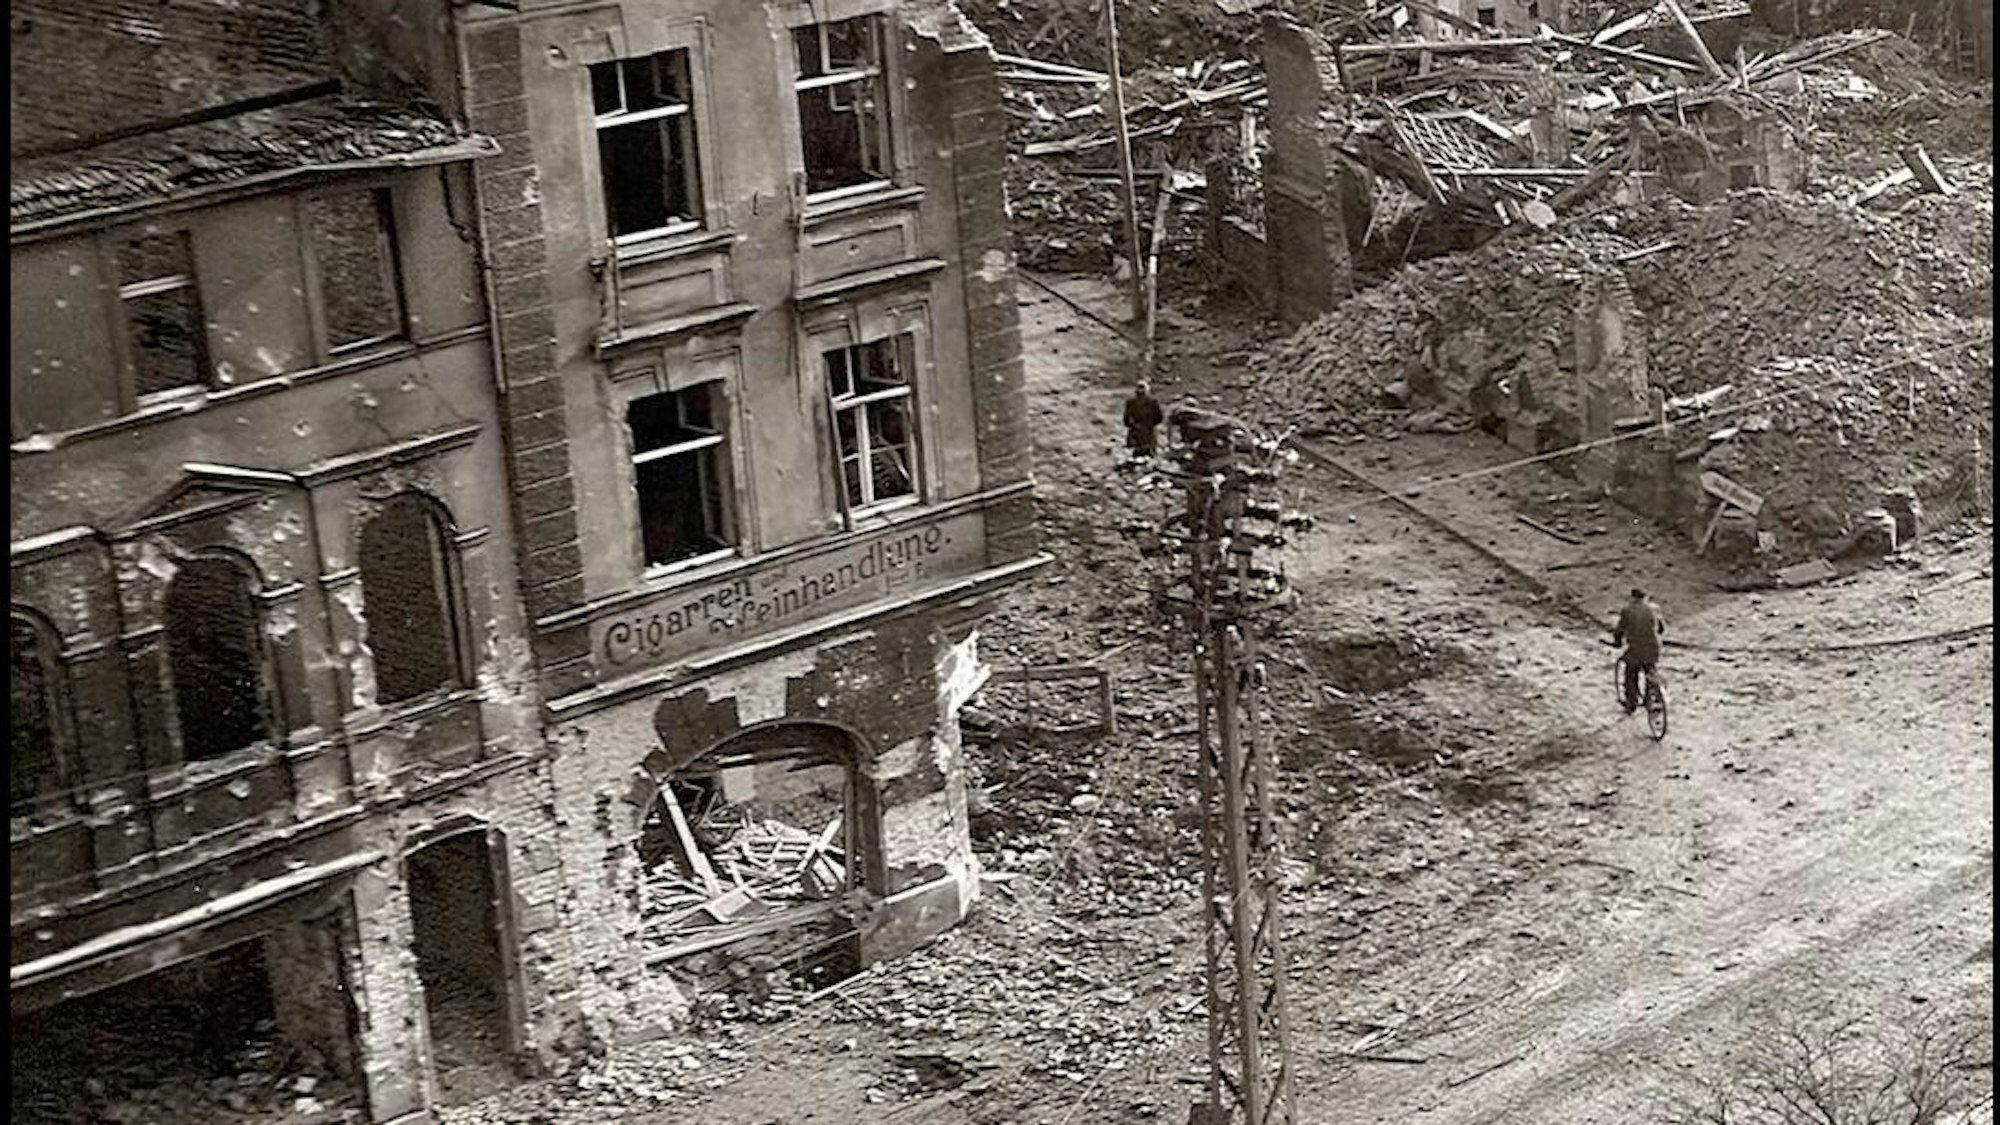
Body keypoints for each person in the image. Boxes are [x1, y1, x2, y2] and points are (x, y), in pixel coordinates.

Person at [1612, 587, 1665, 713]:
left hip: (1636, 648)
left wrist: (1617, 642)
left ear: (1632, 597)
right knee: (1650, 669)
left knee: (1630, 673)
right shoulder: (1654, 609)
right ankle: (1652, 698)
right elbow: (1661, 628)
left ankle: (1632, 702)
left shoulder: (1627, 610)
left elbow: (1620, 630)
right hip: (1653, 648)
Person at [1123, 380, 1164, 460]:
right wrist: (1151, 424)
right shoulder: (1153, 402)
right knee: (1150, 454)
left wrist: (1132, 425)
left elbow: (1126, 419)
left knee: (1134, 454)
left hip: (1135, 430)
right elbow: (1159, 417)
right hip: (1148, 430)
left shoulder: (1130, 402)